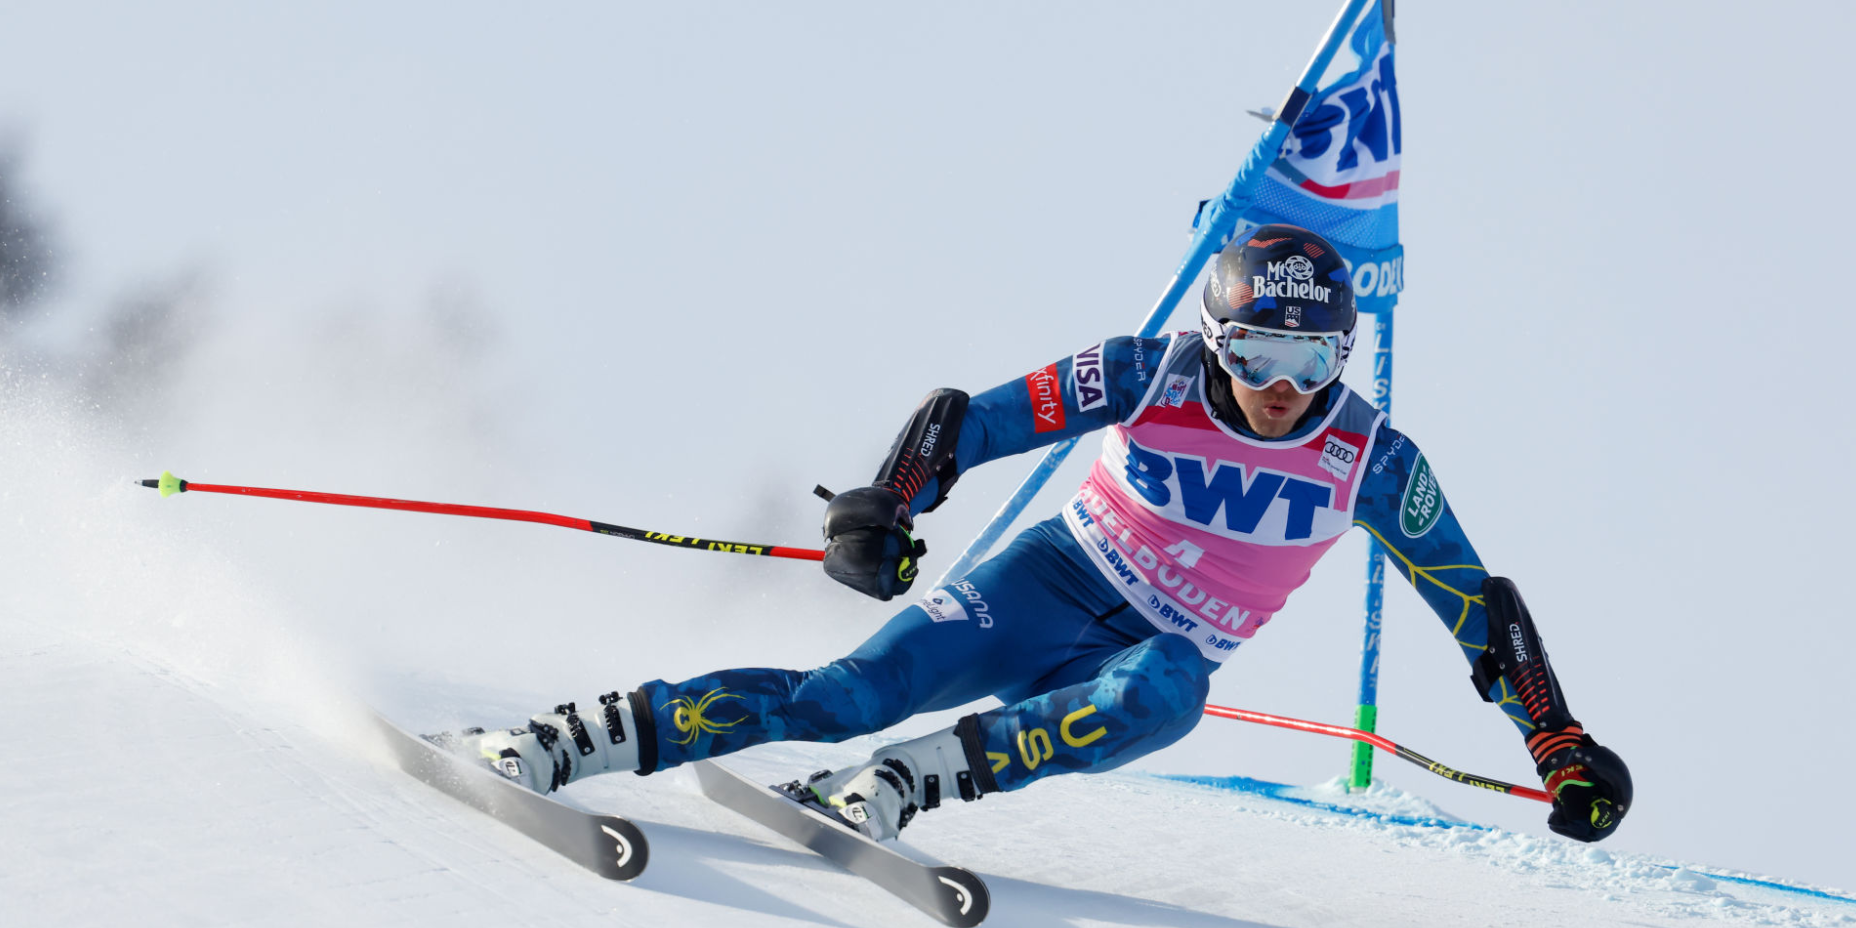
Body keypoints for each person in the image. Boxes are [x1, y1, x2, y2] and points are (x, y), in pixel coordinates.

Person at [447, 224, 1632, 844]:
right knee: (845, 695)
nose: (1285, 387)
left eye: (1313, 358)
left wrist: (1557, 741)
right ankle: (571, 736)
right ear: (1220, 343)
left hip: (1147, 646)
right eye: (1262, 355)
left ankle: (913, 782)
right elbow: (970, 420)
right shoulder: (1147, 371)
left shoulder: (1369, 457)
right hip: (1048, 582)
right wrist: (889, 507)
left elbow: (1480, 608)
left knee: (1168, 689)